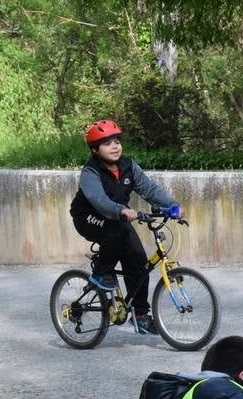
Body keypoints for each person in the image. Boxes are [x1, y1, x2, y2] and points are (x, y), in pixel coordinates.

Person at [70, 119, 181, 334]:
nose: (115, 146)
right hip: (88, 217)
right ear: (95, 149)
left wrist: (172, 206)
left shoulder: (128, 166)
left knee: (139, 263)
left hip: (118, 217)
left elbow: (149, 189)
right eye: (107, 143)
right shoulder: (90, 173)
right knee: (116, 230)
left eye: (117, 141)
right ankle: (102, 273)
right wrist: (121, 211)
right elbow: (99, 200)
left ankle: (140, 315)